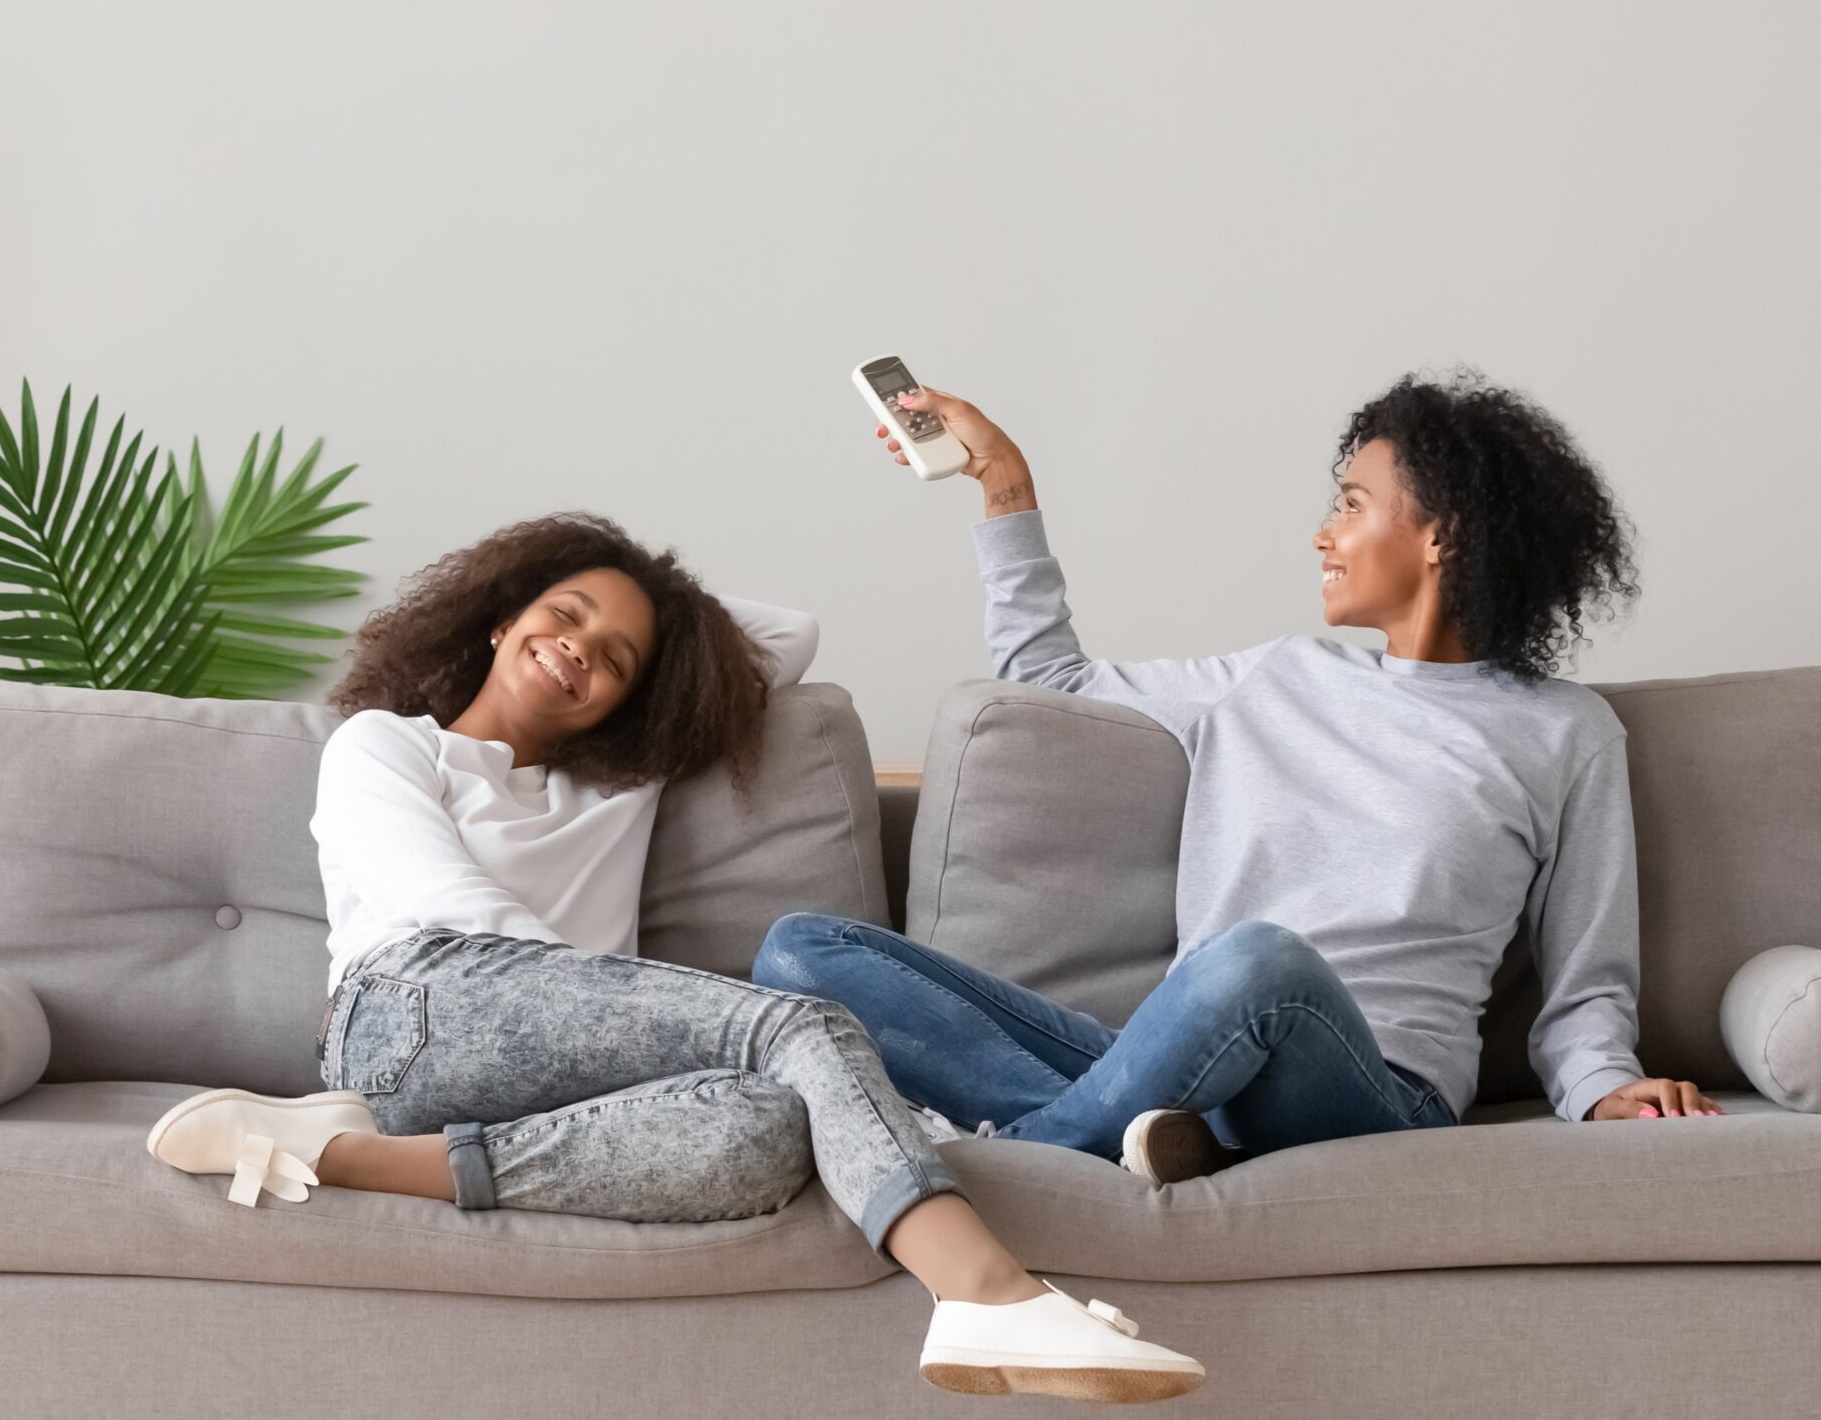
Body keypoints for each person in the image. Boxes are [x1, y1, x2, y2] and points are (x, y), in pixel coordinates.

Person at [145, 511, 1205, 1403]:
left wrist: (661, 636)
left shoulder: (618, 785)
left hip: (542, 1081)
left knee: (768, 1130)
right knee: (795, 1026)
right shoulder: (387, 743)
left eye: (616, 660)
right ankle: (988, 1296)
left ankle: (340, 1158)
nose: (580, 652)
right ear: (500, 613)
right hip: (410, 1012)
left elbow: (786, 634)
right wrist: (638, 1010)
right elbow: (449, 912)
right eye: (563, 615)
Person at [756, 367, 1722, 1188]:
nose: (1322, 534)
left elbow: (1588, 972)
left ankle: (1037, 1167)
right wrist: (1004, 486)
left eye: (1351, 504)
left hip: (1374, 1091)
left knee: (1258, 961)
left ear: (1443, 536)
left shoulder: (1564, 732)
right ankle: (1133, 1139)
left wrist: (1605, 1087)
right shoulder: (1275, 677)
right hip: (1190, 1064)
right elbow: (1050, 681)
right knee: (804, 952)